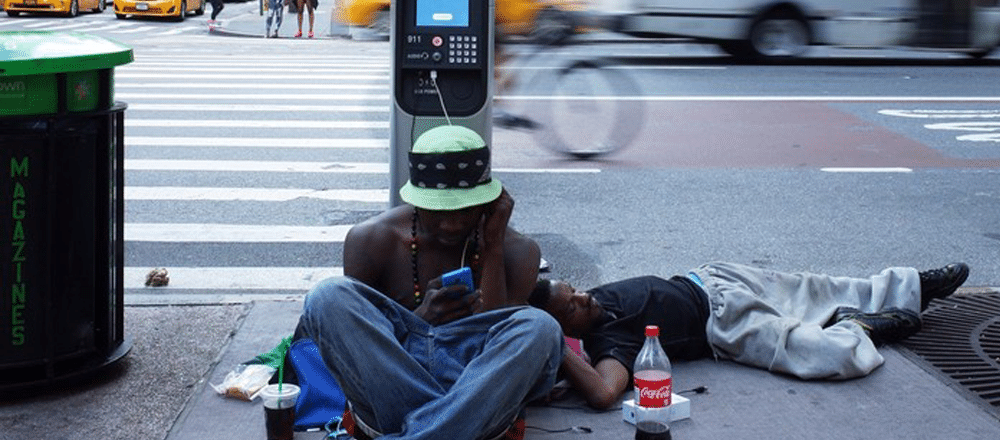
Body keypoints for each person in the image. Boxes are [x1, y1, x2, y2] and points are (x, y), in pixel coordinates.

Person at [295, 125, 563, 439]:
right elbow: (360, 353)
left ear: (488, 203)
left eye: (465, 210)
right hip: (396, 396)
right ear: (417, 202)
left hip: (474, 394)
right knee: (327, 295)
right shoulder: (373, 239)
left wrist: (492, 245)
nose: (452, 223)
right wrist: (420, 319)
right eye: (438, 210)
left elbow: (500, 349)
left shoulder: (518, 251)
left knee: (540, 326)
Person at [528, 261, 970, 409]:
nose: (584, 298)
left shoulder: (592, 304)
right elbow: (605, 393)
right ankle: (862, 328)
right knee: (809, 352)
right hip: (723, 326)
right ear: (564, 327)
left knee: (817, 287)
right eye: (573, 306)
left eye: (576, 291)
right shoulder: (610, 343)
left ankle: (911, 286)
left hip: (712, 278)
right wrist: (551, 339)